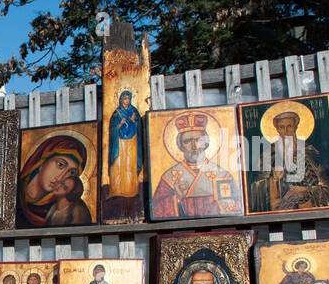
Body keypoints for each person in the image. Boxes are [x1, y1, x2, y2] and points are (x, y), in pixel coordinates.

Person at [151, 112, 242, 218]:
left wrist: (222, 204)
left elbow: (236, 207)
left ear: (205, 143)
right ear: (180, 145)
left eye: (198, 140)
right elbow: (157, 209)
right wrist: (178, 198)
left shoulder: (222, 175)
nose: (194, 146)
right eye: (187, 141)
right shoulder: (169, 178)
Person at [19, 134, 92, 226]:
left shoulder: (67, 207)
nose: (61, 177)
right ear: (41, 162)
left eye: (71, 173)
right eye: (60, 164)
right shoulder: (12, 191)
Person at [104, 90, 145, 220]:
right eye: (124, 99)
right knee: (118, 164)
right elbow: (112, 129)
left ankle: (131, 189)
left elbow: (139, 127)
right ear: (121, 99)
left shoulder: (135, 112)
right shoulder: (116, 113)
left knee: (130, 163)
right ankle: (117, 189)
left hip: (132, 142)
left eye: (128, 99)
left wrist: (134, 121)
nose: (126, 101)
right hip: (119, 142)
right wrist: (119, 125)